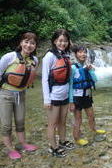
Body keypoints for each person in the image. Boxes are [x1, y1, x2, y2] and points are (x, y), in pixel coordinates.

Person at [0, 32, 38, 159]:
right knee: (6, 124)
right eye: (26, 42)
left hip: (21, 94)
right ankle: (9, 148)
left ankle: (22, 143)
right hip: (5, 94)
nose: (29, 45)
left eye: (32, 43)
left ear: (35, 46)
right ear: (21, 43)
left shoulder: (34, 60)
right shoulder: (9, 57)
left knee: (20, 121)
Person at [42, 29, 74, 158]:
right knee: (53, 123)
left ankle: (62, 140)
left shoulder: (66, 55)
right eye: (60, 40)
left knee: (63, 120)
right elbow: (44, 79)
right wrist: (46, 99)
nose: (63, 43)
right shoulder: (49, 56)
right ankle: (53, 147)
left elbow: (69, 78)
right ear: (55, 41)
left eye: (65, 41)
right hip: (54, 95)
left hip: (65, 94)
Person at [69, 45, 106, 146]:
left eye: (85, 52)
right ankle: (77, 138)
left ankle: (94, 129)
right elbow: (70, 85)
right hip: (77, 97)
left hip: (87, 96)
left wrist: (90, 70)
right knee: (78, 119)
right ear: (76, 54)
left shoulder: (88, 67)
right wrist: (71, 101)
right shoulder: (73, 68)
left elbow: (95, 80)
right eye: (80, 52)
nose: (83, 54)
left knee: (91, 115)